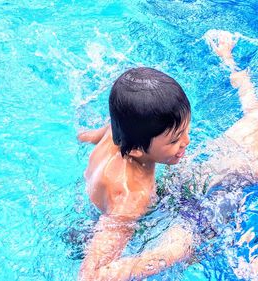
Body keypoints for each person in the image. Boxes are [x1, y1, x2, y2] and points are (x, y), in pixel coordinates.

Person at [83, 31, 258, 280]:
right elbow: (243, 85)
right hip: (185, 177)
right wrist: (228, 58)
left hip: (210, 205)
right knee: (144, 206)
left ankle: (124, 270)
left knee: (177, 248)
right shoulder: (257, 114)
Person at [76, 67, 191, 281]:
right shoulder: (132, 197)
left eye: (186, 129)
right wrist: (169, 254)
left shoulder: (119, 130)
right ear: (136, 150)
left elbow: (85, 137)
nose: (187, 141)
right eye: (175, 140)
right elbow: (90, 276)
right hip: (96, 222)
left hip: (94, 191)